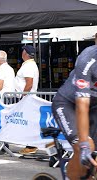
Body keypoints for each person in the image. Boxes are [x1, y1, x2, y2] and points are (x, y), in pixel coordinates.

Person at [52, 45, 97, 179]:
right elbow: (81, 105)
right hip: (68, 103)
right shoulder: (88, 58)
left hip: (94, 106)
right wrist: (83, 144)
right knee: (85, 146)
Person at [15, 45, 39, 155]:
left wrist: (22, 96)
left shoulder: (28, 66)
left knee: (29, 121)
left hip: (27, 98)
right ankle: (30, 144)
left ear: (25, 53)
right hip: (27, 97)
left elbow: (29, 84)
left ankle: (31, 146)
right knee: (28, 121)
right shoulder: (29, 65)